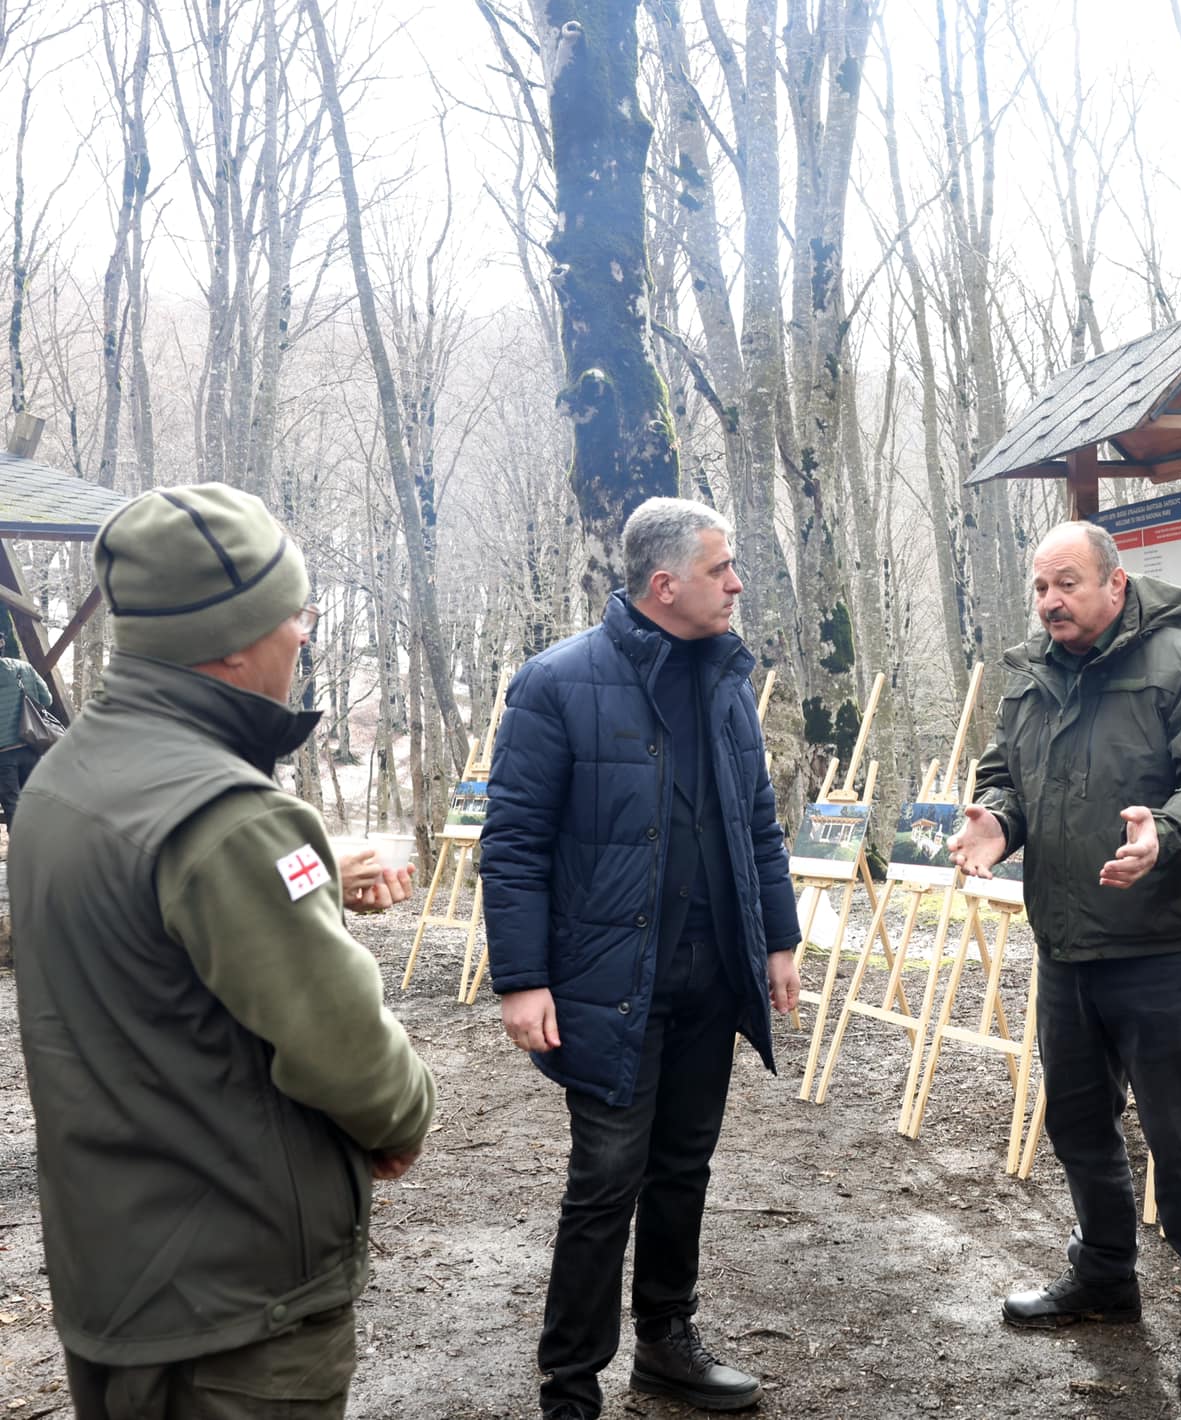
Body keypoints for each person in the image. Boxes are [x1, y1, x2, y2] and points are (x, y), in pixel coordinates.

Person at [11, 482, 437, 1420]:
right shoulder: (230, 817)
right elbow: (350, 1056)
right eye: (296, 615)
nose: (306, 636)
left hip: (117, 1278)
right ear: (233, 640)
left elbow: (143, 942)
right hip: (238, 1312)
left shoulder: (65, 778)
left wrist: (310, 873)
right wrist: (404, 1119)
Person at [481, 497, 801, 1420]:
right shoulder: (556, 682)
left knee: (683, 1167)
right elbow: (514, 844)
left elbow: (757, 824)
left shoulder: (727, 681)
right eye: (720, 569)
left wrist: (777, 940)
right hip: (610, 982)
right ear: (665, 585)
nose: (736, 584)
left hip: (714, 975)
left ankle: (666, 1343)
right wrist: (522, 979)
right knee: (604, 1183)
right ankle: (570, 1388)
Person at [948, 521, 1181, 1404]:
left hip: (1166, 947)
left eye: (1067, 584)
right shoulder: (1031, 677)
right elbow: (1006, 776)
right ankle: (1104, 1276)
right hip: (1068, 946)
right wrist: (996, 821)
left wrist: (1166, 834)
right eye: (1040, 587)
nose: (1050, 601)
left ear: (1115, 586)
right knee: (1079, 1125)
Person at [0, 649, 52, 827]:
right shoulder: (25, 668)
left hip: (3, 755)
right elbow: (47, 700)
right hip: (31, 746)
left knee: (12, 806)